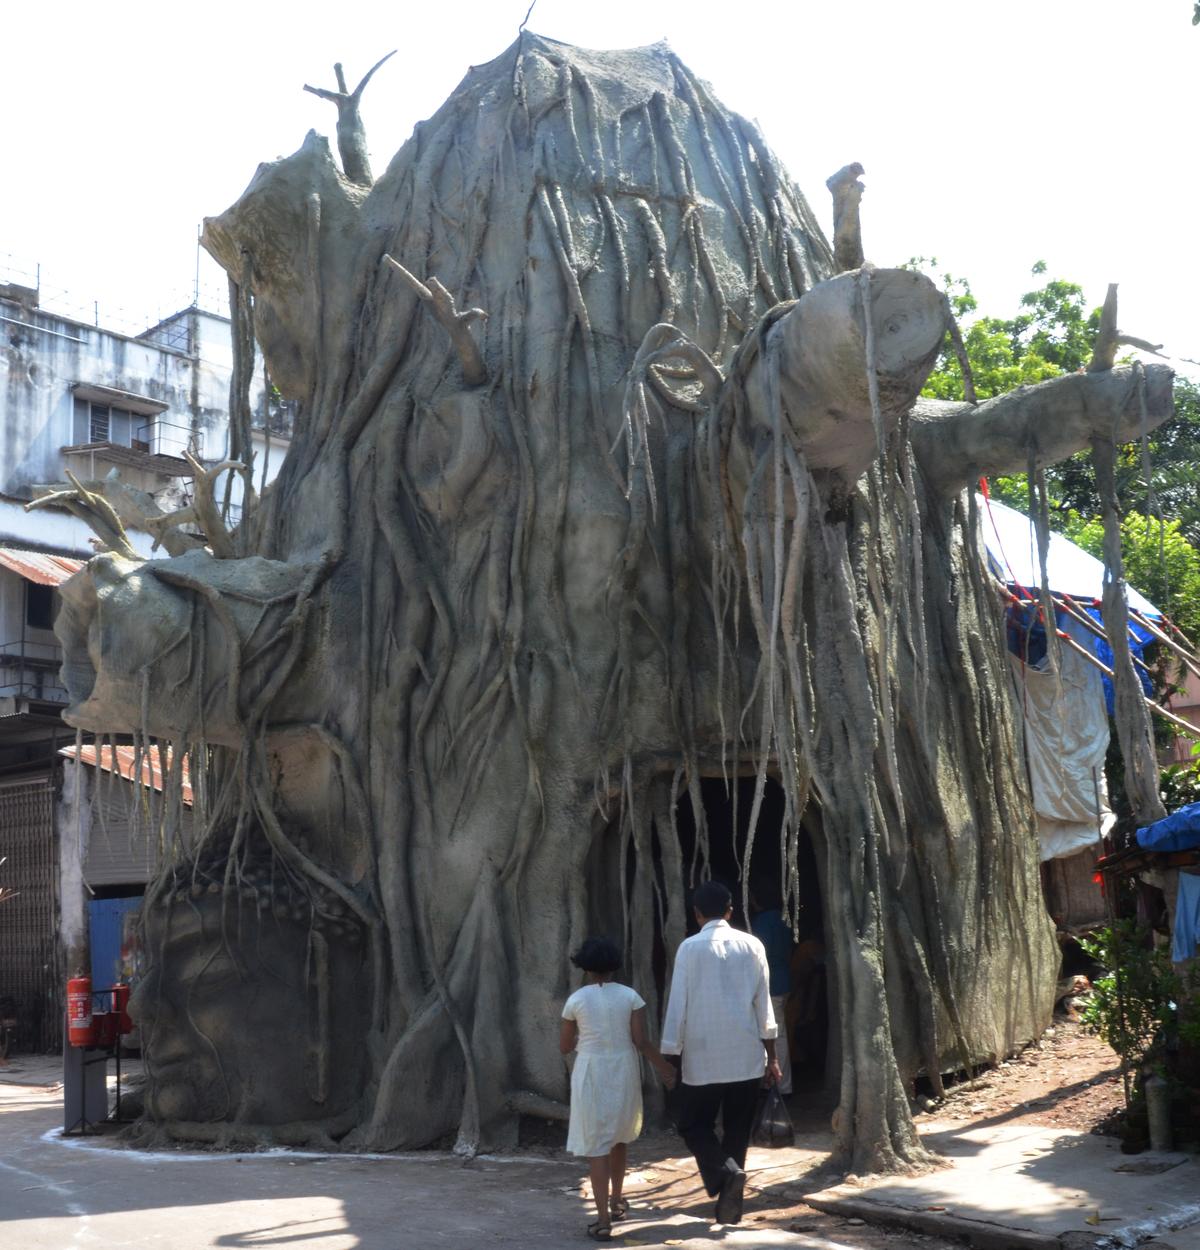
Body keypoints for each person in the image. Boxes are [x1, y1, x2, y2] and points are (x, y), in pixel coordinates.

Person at [660, 880, 780, 1226]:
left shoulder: (689, 949)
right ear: (731, 911)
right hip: (746, 1057)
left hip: (703, 1057)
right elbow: (764, 1006)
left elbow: (677, 1004)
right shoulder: (753, 945)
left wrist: (672, 1054)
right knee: (737, 1128)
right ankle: (731, 1194)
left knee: (692, 1124)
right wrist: (771, 1057)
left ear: (697, 914)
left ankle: (726, 1175)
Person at [560, 936, 676, 1241]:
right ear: (615, 965)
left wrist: (582, 1040)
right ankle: (616, 1202)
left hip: (591, 1070)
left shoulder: (576, 1000)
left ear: (584, 967)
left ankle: (601, 1221)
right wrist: (664, 1067)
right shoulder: (631, 997)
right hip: (623, 1069)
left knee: (596, 1147)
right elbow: (640, 1041)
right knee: (619, 1139)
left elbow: (564, 1045)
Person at [749, 888, 795, 1095]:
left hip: (770, 984)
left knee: (771, 1034)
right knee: (779, 1034)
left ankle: (777, 1085)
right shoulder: (784, 919)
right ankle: (779, 1084)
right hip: (784, 980)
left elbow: (759, 955)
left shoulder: (762, 922)